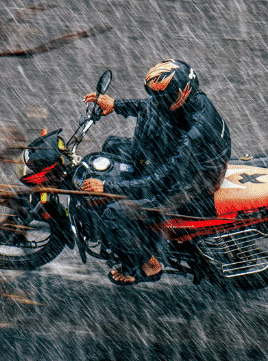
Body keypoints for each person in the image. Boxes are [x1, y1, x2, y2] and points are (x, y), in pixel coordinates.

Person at [80, 59, 231, 285]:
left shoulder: (194, 133)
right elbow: (149, 106)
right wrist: (116, 105)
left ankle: (149, 265)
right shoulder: (188, 101)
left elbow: (163, 180)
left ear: (180, 94)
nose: (155, 102)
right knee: (112, 146)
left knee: (115, 213)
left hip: (193, 181)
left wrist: (107, 187)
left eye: (161, 97)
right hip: (190, 164)